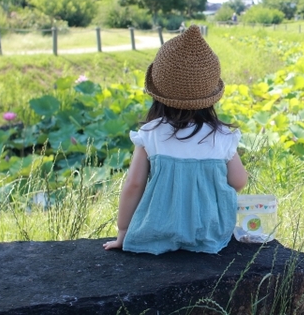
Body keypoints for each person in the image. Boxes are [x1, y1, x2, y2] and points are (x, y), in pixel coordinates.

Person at [103, 25, 248, 255]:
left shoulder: (151, 134)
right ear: (210, 96)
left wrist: (123, 231)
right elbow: (239, 181)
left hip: (157, 230)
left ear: (158, 91)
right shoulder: (222, 137)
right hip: (211, 233)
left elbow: (134, 185)